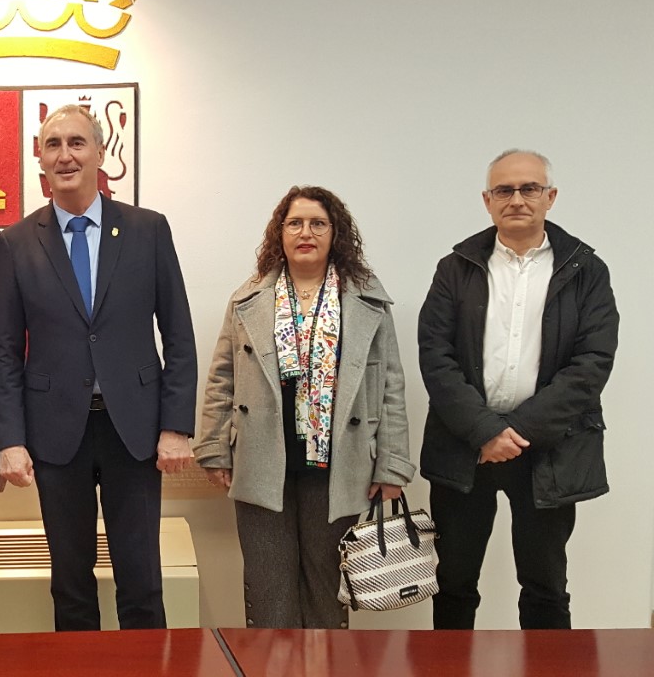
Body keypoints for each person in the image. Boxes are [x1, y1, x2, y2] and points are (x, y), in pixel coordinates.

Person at [0, 104, 197, 631]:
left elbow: (177, 333)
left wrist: (176, 426)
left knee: (142, 583)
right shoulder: (15, 243)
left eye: (77, 143)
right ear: (40, 160)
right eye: (53, 145)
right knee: (72, 586)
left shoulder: (148, 229)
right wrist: (10, 439)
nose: (66, 155)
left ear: (101, 153)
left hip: (135, 430)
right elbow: (6, 352)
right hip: (57, 434)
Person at [194, 185, 414, 629]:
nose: (305, 232)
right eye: (295, 223)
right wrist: (215, 449)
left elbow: (390, 385)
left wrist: (392, 465)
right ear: (280, 233)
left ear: (336, 233)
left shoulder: (367, 300)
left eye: (318, 223)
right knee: (269, 589)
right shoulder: (248, 298)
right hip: (262, 462)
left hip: (339, 465)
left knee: (326, 590)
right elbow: (221, 379)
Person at [419, 150, 618, 630]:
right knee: (453, 584)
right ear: (487, 201)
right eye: (504, 190)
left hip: (548, 448)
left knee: (545, 586)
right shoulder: (456, 268)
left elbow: (592, 363)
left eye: (529, 188)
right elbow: (435, 354)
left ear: (550, 197)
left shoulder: (586, 269)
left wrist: (517, 431)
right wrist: (485, 431)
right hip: (467, 445)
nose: (517, 199)